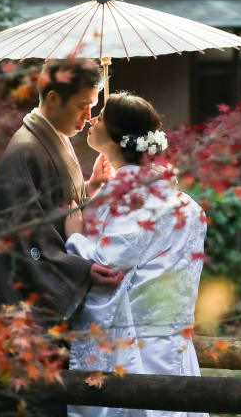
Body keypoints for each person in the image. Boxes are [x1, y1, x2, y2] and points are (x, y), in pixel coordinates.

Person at [0, 58, 124, 416]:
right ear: (52, 99)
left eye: (92, 107)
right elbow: (25, 240)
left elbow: (59, 209)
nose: (88, 117)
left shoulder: (56, 138)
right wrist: (79, 268)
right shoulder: (25, 149)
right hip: (23, 304)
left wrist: (90, 187)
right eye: (82, 105)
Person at [65, 92, 208, 417]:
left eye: (102, 116)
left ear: (117, 136)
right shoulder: (182, 203)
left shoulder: (131, 199)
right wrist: (96, 191)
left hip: (135, 347)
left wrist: (75, 236)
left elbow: (107, 265)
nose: (92, 119)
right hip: (171, 341)